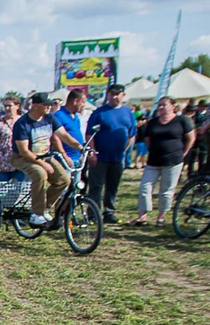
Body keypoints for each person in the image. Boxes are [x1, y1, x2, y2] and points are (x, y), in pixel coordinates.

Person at [10, 92, 83, 226]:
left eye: (50, 105)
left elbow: (64, 135)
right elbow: (24, 151)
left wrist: (82, 148)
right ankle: (36, 214)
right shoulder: (22, 124)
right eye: (46, 105)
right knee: (40, 173)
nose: (49, 107)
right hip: (22, 158)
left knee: (64, 180)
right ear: (36, 105)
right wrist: (42, 164)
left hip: (45, 157)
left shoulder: (49, 118)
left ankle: (43, 208)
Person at [129, 97, 195, 227]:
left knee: (166, 191)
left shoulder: (182, 120)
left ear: (173, 106)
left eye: (164, 105)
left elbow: (190, 138)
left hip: (173, 161)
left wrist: (183, 153)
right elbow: (148, 139)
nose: (160, 108)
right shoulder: (152, 122)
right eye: (159, 105)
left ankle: (161, 218)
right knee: (145, 188)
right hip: (153, 161)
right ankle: (142, 217)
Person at [86, 84, 137, 224]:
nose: (114, 96)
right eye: (111, 94)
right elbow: (89, 134)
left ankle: (109, 212)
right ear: (107, 95)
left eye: (117, 94)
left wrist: (125, 150)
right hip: (100, 156)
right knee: (96, 186)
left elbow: (132, 134)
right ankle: (93, 214)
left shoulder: (128, 113)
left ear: (123, 95)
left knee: (112, 186)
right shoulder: (99, 112)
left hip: (117, 157)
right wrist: (92, 152)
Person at [52, 90, 87, 168]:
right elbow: (55, 138)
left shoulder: (76, 117)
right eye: (83, 102)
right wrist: (64, 156)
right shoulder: (59, 115)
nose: (84, 105)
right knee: (65, 180)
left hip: (77, 159)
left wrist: (81, 154)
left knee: (77, 180)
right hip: (65, 160)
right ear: (75, 101)